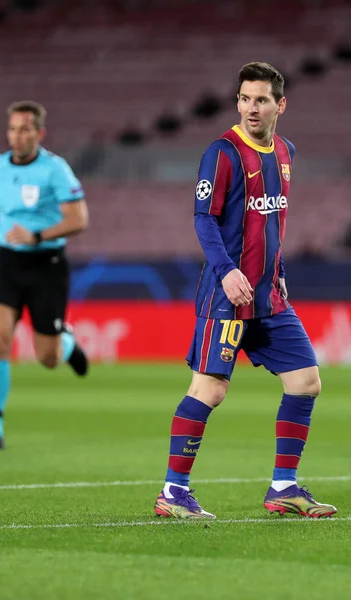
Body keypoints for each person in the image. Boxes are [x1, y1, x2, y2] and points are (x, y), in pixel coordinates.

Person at [154, 62, 337, 519]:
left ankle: (284, 486)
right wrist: (225, 271)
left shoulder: (286, 152)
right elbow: (204, 217)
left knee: (306, 381)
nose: (250, 108)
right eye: (243, 98)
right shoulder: (223, 153)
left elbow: (269, 223)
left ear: (281, 105)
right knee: (210, 389)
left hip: (269, 296)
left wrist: (273, 272)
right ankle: (173, 492)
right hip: (227, 296)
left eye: (260, 100)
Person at [0, 100, 90, 451]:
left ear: (39, 133)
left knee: (47, 357)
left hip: (46, 265)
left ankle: (67, 343)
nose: (17, 136)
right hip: (6, 263)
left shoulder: (55, 170)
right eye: (13, 129)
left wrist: (37, 235)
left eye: (25, 129)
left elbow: (78, 219)